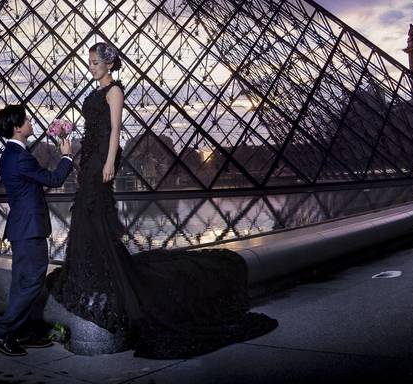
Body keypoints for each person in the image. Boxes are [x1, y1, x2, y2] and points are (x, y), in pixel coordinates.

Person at [49, 42, 277, 358]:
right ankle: (91, 268)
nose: (91, 66)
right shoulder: (96, 93)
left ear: (108, 64)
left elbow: (115, 129)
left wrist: (110, 161)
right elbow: (93, 127)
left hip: (102, 156)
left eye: (95, 62)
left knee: (96, 211)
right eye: (89, 62)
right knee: (84, 211)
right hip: (88, 157)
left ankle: (103, 270)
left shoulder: (115, 91)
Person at [0, 104, 75, 357]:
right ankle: (0, 333)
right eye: (26, 120)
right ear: (16, 128)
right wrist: (66, 156)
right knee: (31, 283)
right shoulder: (20, 157)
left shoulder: (10, 155)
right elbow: (54, 180)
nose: (30, 122)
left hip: (22, 227)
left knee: (21, 283)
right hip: (29, 229)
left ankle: (19, 332)